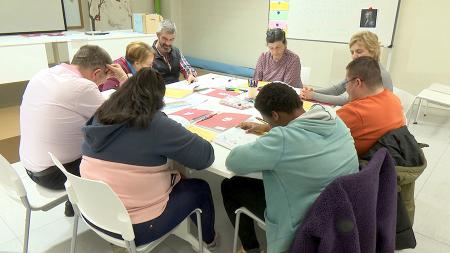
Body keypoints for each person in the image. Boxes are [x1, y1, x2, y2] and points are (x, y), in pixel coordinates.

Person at [80, 68, 218, 248]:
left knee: (174, 175)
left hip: (93, 212)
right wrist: (169, 125)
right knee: (200, 188)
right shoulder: (155, 124)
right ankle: (210, 240)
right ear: (157, 100)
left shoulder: (100, 114)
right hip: (134, 228)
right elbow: (205, 157)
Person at [221, 82, 359, 253]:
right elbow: (302, 133)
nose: (269, 125)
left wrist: (271, 135)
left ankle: (251, 249)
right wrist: (266, 128)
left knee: (230, 185)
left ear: (275, 115)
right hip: (341, 207)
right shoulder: (332, 118)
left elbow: (234, 161)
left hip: (304, 219)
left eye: (267, 120)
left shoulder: (282, 139)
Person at [19, 45, 125, 216]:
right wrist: (124, 79)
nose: (100, 85)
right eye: (102, 80)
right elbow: (118, 120)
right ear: (97, 73)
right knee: (117, 148)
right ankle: (107, 217)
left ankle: (73, 204)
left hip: (30, 167)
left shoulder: (44, 74)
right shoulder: (82, 87)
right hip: (56, 174)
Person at [336, 56, 405, 156]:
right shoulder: (394, 99)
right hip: (384, 162)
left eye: (346, 82)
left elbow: (312, 129)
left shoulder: (355, 111)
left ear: (357, 83)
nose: (345, 87)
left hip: (352, 165)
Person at [302, 31, 393, 105]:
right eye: (352, 52)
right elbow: (339, 88)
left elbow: (348, 100)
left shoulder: (381, 75)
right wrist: (314, 92)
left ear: (373, 51)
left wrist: (314, 96)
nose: (354, 56)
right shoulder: (360, 69)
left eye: (359, 51)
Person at [152, 20, 197, 84]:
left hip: (176, 90)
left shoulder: (176, 51)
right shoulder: (149, 54)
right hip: (158, 90)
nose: (168, 43)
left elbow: (186, 67)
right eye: (164, 39)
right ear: (158, 35)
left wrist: (190, 75)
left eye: (171, 39)